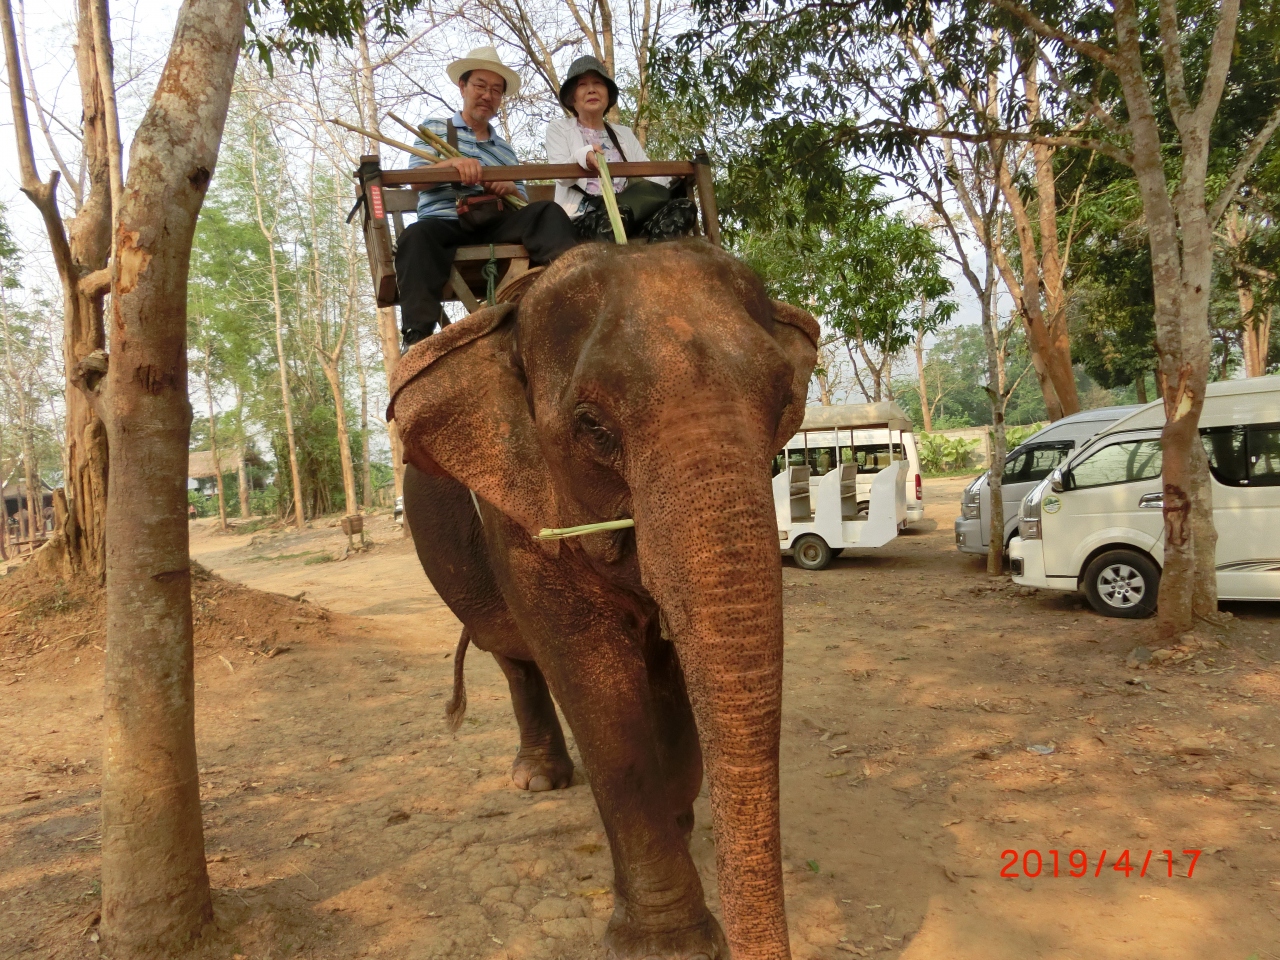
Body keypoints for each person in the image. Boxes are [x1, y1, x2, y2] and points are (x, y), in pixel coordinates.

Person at [394, 46, 578, 351]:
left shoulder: (504, 148)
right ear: (462, 87)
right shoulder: (436, 130)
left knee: (546, 212)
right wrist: (451, 165)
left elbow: (520, 198)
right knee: (415, 237)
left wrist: (508, 188)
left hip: (493, 224)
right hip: (445, 224)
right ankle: (417, 338)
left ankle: (572, 298)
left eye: (496, 90)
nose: (487, 95)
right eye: (480, 85)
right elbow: (414, 180)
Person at [545, 55, 697, 242]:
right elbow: (562, 176)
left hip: (628, 213)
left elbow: (649, 173)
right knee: (618, 213)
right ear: (572, 97)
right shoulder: (559, 129)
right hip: (584, 219)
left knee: (684, 207)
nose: (591, 89)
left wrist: (675, 174)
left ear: (608, 94)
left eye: (598, 83)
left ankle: (654, 265)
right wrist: (585, 156)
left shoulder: (623, 134)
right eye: (582, 84)